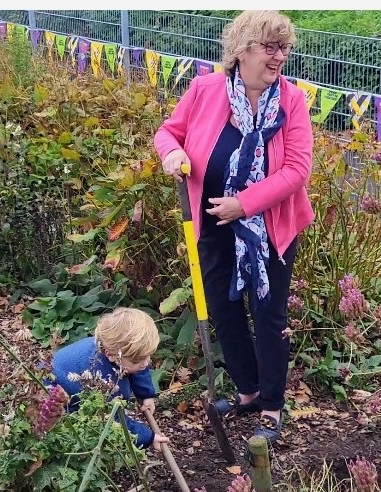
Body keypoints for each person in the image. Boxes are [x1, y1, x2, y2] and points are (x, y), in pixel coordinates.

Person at [153, 10, 314, 445]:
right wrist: (170, 154)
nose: (279, 56)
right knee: (223, 308)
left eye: (285, 48)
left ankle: (273, 405)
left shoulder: (292, 101)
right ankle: (247, 391)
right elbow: (168, 132)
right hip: (209, 223)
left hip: (271, 227)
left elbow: (297, 171)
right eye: (270, 47)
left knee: (268, 314)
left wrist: (244, 205)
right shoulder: (205, 89)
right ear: (242, 48)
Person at [47, 308, 170, 451]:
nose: (146, 363)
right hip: (56, 399)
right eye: (138, 360)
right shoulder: (102, 379)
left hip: (66, 380)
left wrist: (146, 395)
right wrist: (148, 437)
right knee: (79, 430)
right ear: (111, 355)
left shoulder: (115, 349)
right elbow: (112, 420)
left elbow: (138, 368)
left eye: (148, 356)